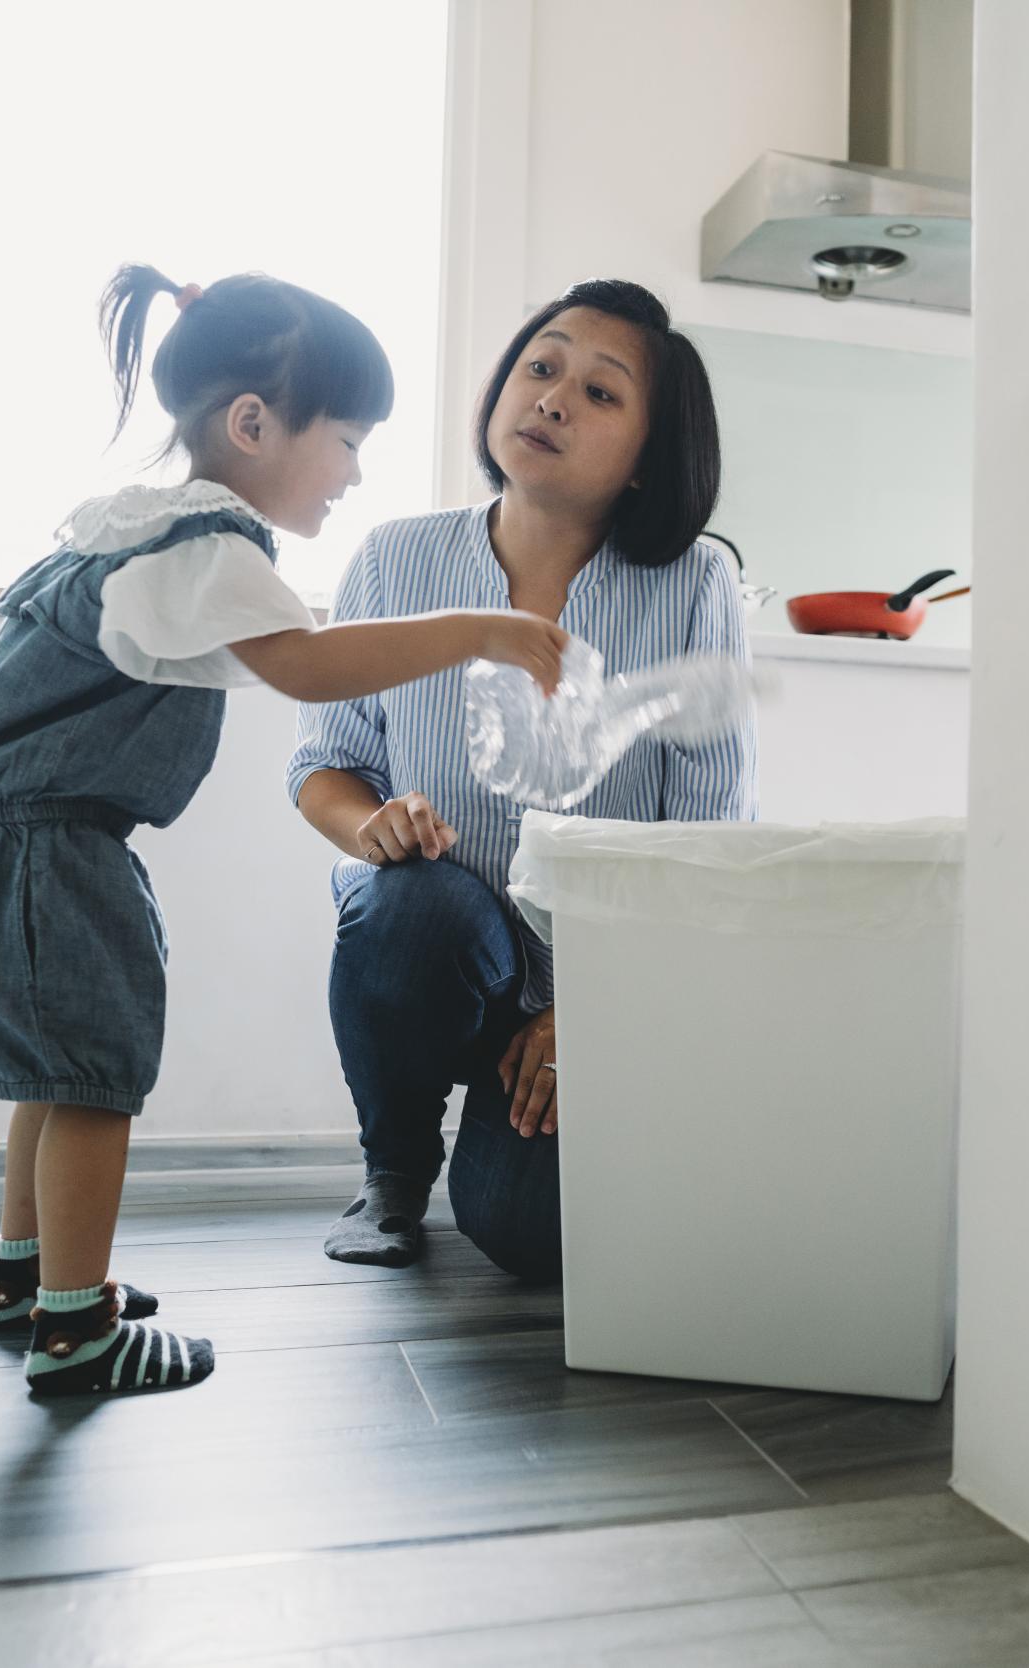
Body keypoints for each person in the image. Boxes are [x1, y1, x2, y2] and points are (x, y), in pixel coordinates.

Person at [0, 264, 566, 1395]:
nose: (355, 473)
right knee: (97, 1083)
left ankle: (29, 1274)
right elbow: (309, 667)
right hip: (46, 848)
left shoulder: (129, 532)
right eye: (348, 439)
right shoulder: (207, 543)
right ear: (252, 424)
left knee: (51, 1076)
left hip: (6, 840)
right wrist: (481, 631)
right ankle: (77, 1328)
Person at [291, 279, 756, 1281]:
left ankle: (505, 1147)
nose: (549, 397)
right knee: (406, 906)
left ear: (648, 457)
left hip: (596, 970)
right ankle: (395, 1171)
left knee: (529, 1240)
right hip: (432, 944)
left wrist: (593, 1007)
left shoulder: (695, 585)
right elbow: (325, 765)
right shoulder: (394, 558)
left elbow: (710, 833)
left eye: (600, 393)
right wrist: (371, 826)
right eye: (540, 367)